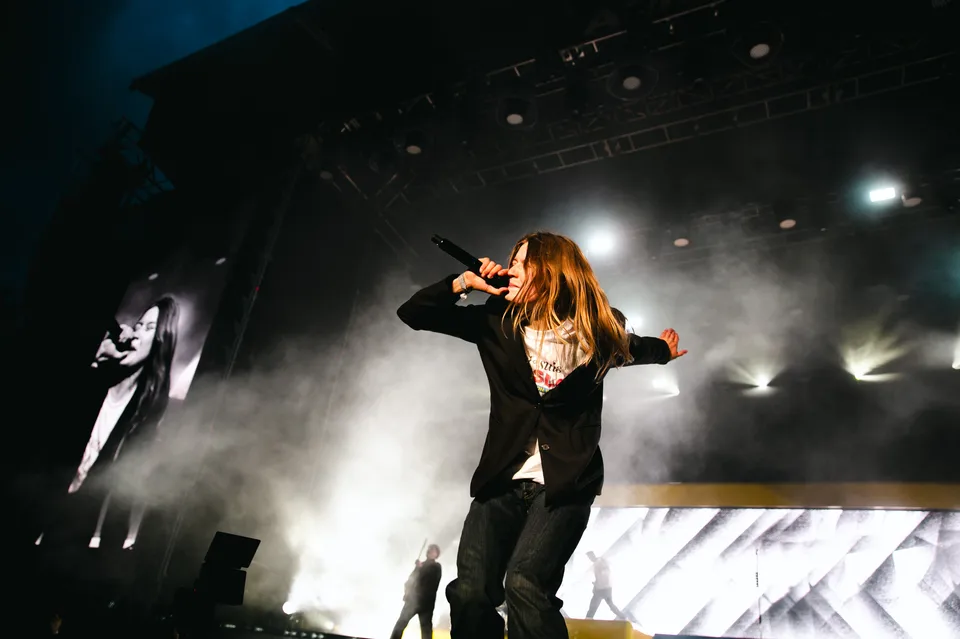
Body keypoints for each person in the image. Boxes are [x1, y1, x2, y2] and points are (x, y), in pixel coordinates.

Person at [397, 232, 686, 639]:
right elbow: (413, 313)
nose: (510, 269)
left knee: (525, 584)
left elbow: (636, 348)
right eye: (511, 262)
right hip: (501, 479)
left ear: (551, 271)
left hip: (564, 485)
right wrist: (463, 283)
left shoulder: (597, 334)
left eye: (521, 263)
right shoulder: (496, 323)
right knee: (471, 592)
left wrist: (664, 352)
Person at [47, 297, 180, 548]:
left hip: (75, 523)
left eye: (148, 328)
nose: (135, 334)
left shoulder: (145, 410)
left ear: (160, 341)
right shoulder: (95, 378)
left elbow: (128, 488)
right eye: (138, 325)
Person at [390, 544, 443, 639]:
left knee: (426, 630)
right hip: (413, 601)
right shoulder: (420, 566)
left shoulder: (436, 567)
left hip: (426, 603)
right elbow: (410, 580)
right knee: (401, 624)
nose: (429, 551)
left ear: (437, 555)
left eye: (433, 550)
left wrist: (420, 567)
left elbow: (432, 580)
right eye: (429, 549)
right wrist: (407, 592)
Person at [584, 551, 629, 621]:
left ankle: (588, 618)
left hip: (603, 589)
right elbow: (600, 576)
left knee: (595, 605)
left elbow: (604, 573)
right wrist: (596, 583)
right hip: (603, 588)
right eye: (589, 557)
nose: (590, 559)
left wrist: (598, 584)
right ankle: (623, 617)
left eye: (590, 557)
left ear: (593, 555)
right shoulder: (598, 563)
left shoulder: (600, 562)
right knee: (605, 605)